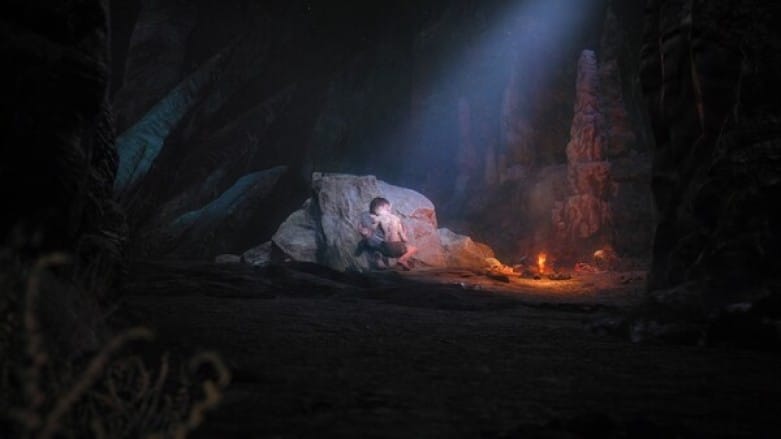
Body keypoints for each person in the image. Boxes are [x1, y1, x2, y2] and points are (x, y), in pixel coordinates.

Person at [369, 197, 418, 270]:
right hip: (398, 248)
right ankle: (403, 259)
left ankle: (379, 258)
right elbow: (404, 239)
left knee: (376, 248)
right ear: (386, 206)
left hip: (386, 248)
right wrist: (404, 233)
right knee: (413, 249)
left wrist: (373, 221)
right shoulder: (397, 219)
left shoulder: (378, 218)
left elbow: (371, 231)